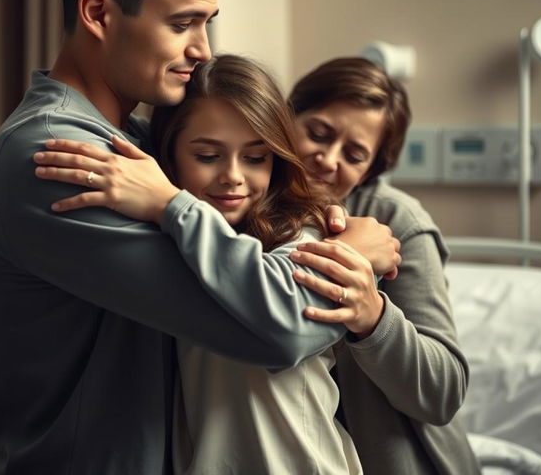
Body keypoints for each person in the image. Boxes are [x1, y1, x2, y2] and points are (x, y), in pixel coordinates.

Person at [0, 0, 399, 474]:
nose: (202, 50)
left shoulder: (144, 145)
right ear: (97, 13)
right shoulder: (54, 157)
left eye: (207, 23)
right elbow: (276, 329)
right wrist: (351, 256)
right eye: (182, 23)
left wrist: (312, 225)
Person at [37, 54, 368, 473]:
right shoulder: (165, 246)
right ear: (169, 158)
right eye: (209, 156)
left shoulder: (301, 234)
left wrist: (171, 203)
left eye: (255, 158)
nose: (233, 176)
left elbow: (278, 311)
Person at [287, 57, 480, 474]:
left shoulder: (398, 222)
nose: (328, 159)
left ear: (371, 171)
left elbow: (443, 390)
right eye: (318, 133)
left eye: (354, 155)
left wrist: (373, 318)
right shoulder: (243, 197)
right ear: (288, 117)